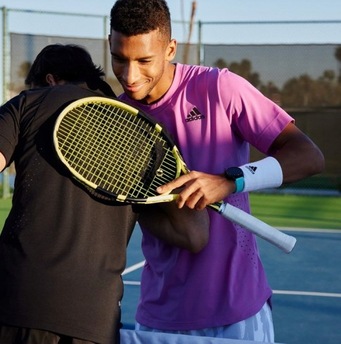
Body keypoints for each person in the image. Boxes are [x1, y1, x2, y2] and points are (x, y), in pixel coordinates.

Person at [108, 0, 325, 342]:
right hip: (158, 316)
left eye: (144, 61)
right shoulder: (118, 119)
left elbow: (309, 155)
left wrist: (229, 182)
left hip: (238, 313)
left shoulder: (219, 88)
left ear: (170, 49)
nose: (130, 76)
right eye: (119, 59)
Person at [0, 44, 209, 344]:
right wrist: (131, 207)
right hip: (96, 320)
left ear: (48, 80)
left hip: (16, 302)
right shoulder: (143, 131)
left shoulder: (29, 103)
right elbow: (195, 235)